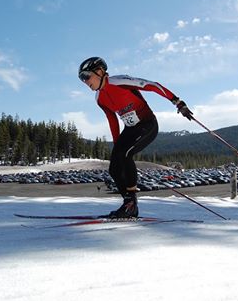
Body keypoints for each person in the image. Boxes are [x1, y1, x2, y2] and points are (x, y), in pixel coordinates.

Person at [78, 57, 193, 218]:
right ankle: (128, 203)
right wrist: (117, 145)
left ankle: (131, 205)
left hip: (147, 125)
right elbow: (112, 120)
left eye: (86, 76)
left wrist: (178, 102)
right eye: (82, 79)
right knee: (114, 167)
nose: (85, 81)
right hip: (130, 129)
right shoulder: (99, 98)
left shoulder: (119, 81)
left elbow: (153, 86)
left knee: (125, 155)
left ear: (99, 71)